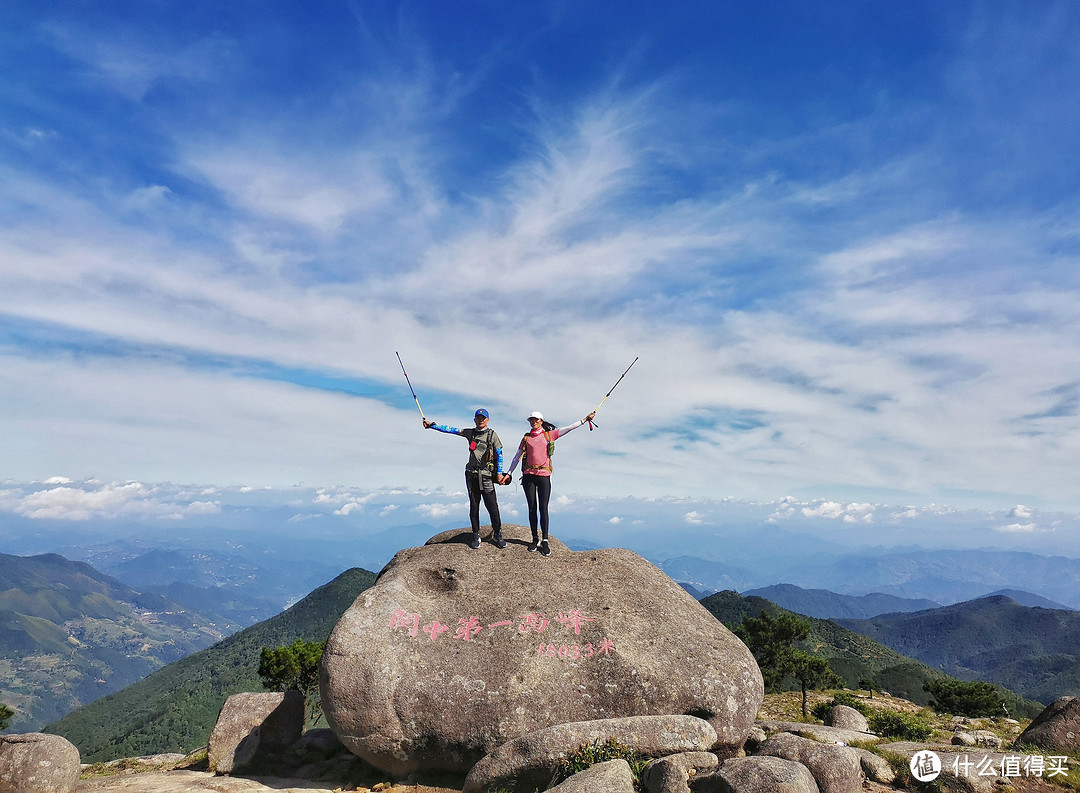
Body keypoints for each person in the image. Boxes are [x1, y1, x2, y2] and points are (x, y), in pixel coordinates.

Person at [507, 409, 596, 557]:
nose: (533, 422)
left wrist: (584, 420)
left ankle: (545, 540)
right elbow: (517, 456)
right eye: (531, 420)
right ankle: (535, 539)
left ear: (541, 421)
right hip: (528, 475)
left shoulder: (549, 435)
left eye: (536, 420)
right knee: (532, 508)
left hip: (543, 475)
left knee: (543, 508)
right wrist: (509, 472)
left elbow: (568, 428)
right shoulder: (526, 438)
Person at [424, 409, 510, 549]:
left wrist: (499, 473)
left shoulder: (492, 435)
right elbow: (451, 430)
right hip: (471, 474)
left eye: (483, 418)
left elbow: (499, 454)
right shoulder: (471, 433)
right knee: (474, 506)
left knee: (492, 506)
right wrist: (432, 425)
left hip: (487, 476)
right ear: (474, 419)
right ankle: (476, 534)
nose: (481, 420)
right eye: (478, 418)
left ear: (488, 420)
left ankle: (497, 533)